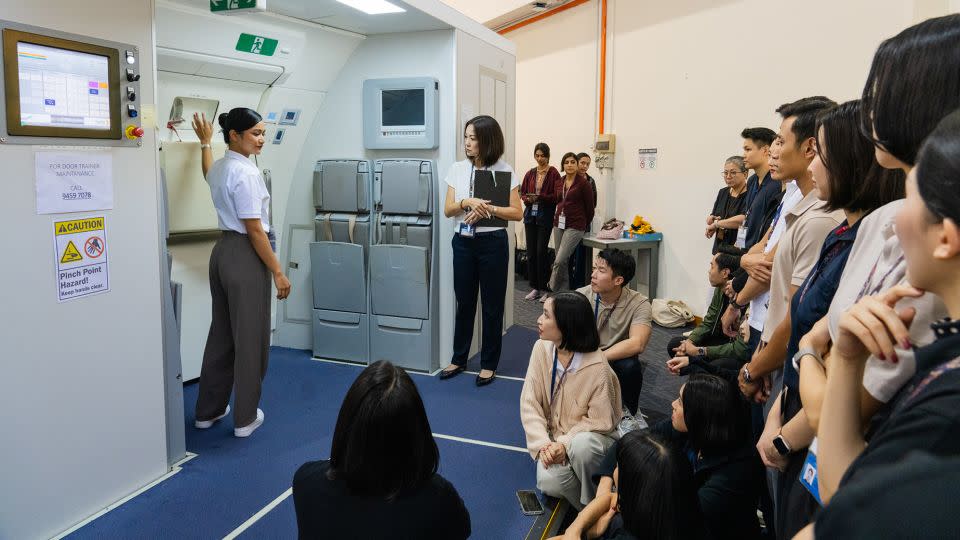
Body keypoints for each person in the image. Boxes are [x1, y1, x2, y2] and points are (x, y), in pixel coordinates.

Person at [794, 15, 959, 504]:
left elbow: (849, 413)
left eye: (882, 93)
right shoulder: (884, 219)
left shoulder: (933, 265)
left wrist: (809, 351)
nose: (871, 112)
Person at [757, 101, 905, 536]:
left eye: (820, 154)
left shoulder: (876, 239)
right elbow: (811, 327)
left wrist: (786, 434)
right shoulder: (844, 234)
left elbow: (847, 373)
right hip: (798, 406)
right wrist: (780, 409)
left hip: (820, 433)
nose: (812, 165)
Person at [817, 110, 960, 513]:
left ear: (946, 237)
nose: (895, 221)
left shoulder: (944, 406)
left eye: (910, 199)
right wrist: (846, 357)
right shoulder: (943, 351)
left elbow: (845, 496)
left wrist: (817, 354)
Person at [190, 109, 291, 438]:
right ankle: (246, 419)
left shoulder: (221, 166)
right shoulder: (247, 174)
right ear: (234, 135)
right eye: (255, 134)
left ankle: (208, 410)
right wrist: (277, 271)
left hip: (221, 255)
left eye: (263, 133)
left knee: (221, 334)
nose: (261, 139)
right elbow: (255, 231)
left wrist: (205, 144)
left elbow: (207, 172)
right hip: (246, 256)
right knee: (251, 339)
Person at [292, 361, 470, 539]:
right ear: (418, 434)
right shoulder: (438, 500)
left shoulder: (305, 481)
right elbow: (462, 529)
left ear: (348, 422)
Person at [440, 115, 523, 386]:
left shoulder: (504, 169)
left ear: (487, 140)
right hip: (463, 242)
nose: (467, 143)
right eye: (466, 137)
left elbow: (516, 213)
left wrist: (488, 208)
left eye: (473, 138)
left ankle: (488, 364)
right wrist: (468, 201)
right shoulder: (457, 169)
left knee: (492, 306)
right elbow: (448, 209)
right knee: (464, 302)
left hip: (493, 243)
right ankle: (459, 358)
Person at [521, 292, 622, 509]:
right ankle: (592, 510)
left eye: (546, 316)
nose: (539, 320)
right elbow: (530, 403)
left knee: (582, 447)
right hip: (555, 439)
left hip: (594, 439)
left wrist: (564, 444)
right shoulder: (542, 348)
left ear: (566, 326)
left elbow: (601, 422)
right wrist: (544, 446)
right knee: (548, 480)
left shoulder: (598, 368)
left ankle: (598, 508)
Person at [653, 375, 762, 540]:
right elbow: (634, 441)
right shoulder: (690, 429)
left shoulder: (733, 475)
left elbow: (681, 520)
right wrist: (606, 484)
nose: (673, 404)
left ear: (699, 416)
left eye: (681, 402)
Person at [549, 431, 704, 540]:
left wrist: (582, 533)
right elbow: (610, 497)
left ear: (631, 485)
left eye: (618, 466)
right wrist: (578, 529)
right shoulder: (669, 510)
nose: (614, 469)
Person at [576, 249, 652, 416]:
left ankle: (631, 414)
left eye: (601, 271)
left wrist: (599, 357)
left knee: (630, 366)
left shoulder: (639, 303)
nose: (593, 275)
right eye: (594, 268)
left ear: (618, 280)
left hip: (614, 356)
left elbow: (637, 343)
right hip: (585, 353)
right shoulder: (581, 296)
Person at [668, 253, 746, 371]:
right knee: (676, 344)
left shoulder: (746, 299)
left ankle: (700, 377)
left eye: (712, 267)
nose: (709, 271)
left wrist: (700, 351)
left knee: (714, 365)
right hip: (717, 341)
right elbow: (708, 322)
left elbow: (740, 349)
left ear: (725, 273)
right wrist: (689, 342)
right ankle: (698, 376)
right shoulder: (720, 290)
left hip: (733, 350)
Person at [547, 153, 595, 295]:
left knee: (559, 260)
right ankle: (564, 294)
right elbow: (558, 201)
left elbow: (590, 209)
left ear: (576, 164)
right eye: (566, 162)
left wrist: (584, 224)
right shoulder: (559, 182)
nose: (569, 164)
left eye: (572, 162)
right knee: (563, 261)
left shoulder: (584, 184)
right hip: (559, 223)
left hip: (575, 226)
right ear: (563, 165)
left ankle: (551, 287)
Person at [521, 143, 562, 300]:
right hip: (530, 215)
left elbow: (557, 196)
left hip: (545, 216)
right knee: (531, 253)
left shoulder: (553, 173)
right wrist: (528, 198)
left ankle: (546, 289)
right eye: (537, 155)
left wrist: (541, 197)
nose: (540, 158)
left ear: (548, 156)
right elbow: (523, 192)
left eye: (542, 155)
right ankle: (535, 287)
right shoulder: (530, 173)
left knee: (541, 252)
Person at [568, 152, 599, 289]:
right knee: (568, 255)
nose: (584, 166)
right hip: (569, 224)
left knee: (582, 256)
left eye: (587, 164)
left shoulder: (590, 181)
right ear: (576, 162)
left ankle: (581, 285)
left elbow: (593, 203)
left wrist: (586, 220)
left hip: (584, 223)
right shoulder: (569, 179)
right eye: (582, 163)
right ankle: (567, 285)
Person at [706, 156, 748, 254]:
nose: (728, 176)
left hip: (737, 247)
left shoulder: (750, 194)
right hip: (720, 246)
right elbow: (714, 216)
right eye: (725, 172)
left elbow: (743, 220)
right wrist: (712, 219)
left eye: (733, 172)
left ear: (745, 174)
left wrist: (717, 224)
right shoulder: (723, 192)